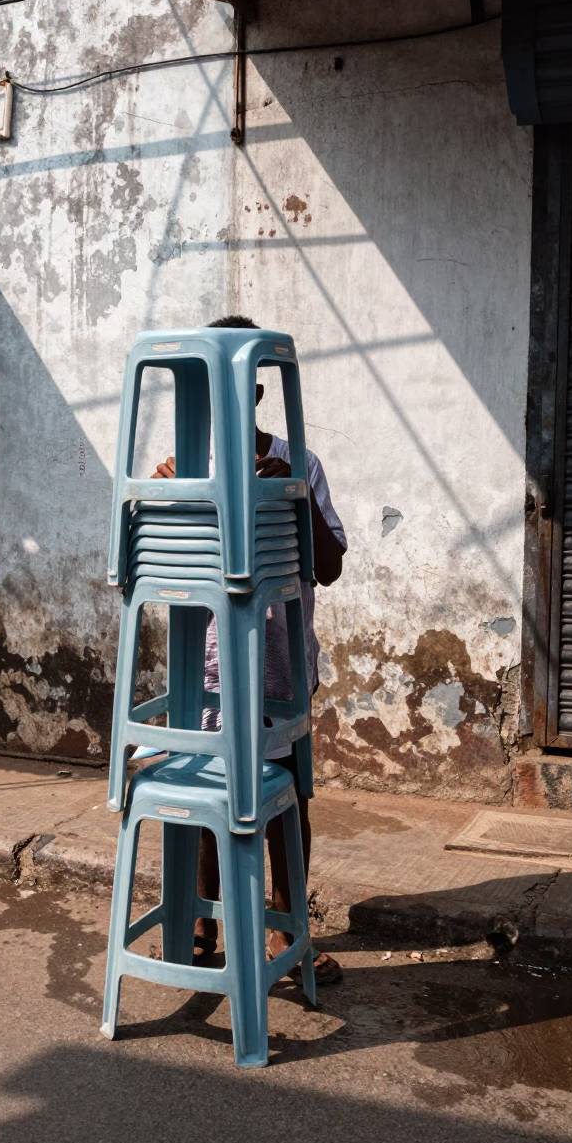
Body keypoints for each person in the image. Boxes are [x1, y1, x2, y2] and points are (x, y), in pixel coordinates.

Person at [152, 316, 347, 985]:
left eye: (239, 388)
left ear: (259, 394)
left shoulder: (300, 464)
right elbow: (147, 567)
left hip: (279, 675)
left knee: (286, 805)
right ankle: (206, 927)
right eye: (211, 390)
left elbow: (330, 566)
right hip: (204, 678)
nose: (226, 405)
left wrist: (291, 491)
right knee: (210, 805)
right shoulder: (180, 470)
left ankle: (290, 930)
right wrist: (163, 493)